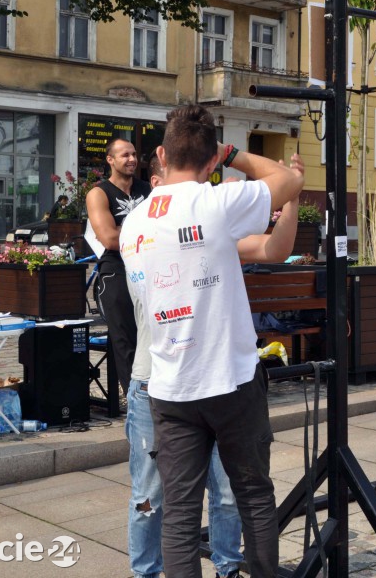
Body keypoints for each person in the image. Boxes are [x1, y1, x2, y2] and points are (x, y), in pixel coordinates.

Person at [121, 105, 303, 578]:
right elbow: (286, 180)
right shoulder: (216, 204)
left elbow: (272, 248)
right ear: (210, 163)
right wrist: (234, 155)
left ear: (160, 155)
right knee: (254, 496)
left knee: (180, 516)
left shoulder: (134, 223)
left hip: (169, 388)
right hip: (230, 382)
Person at [86, 137, 152, 394]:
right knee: (125, 338)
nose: (132, 159)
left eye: (134, 154)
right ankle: (134, 397)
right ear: (110, 160)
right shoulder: (99, 193)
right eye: (125, 155)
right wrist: (147, 231)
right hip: (117, 268)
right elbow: (111, 240)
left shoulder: (148, 190)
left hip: (150, 267)